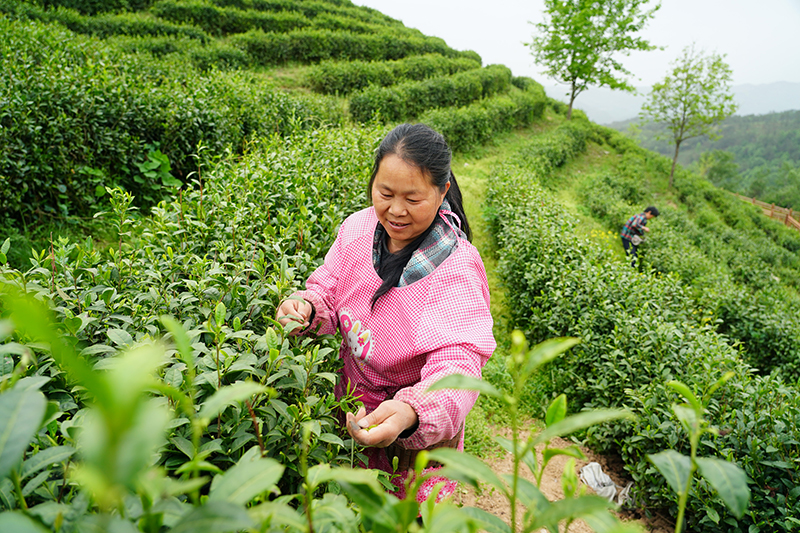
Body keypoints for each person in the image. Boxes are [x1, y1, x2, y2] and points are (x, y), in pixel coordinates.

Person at [275, 123, 496, 503]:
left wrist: (412, 410)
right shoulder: (358, 228)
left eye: (413, 199)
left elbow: (457, 365)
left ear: (442, 191)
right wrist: (307, 307)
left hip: (409, 432)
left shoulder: (456, 269)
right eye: (385, 193)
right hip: (351, 400)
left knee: (400, 512)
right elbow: (329, 288)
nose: (395, 210)